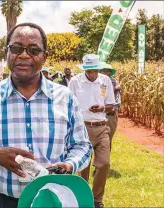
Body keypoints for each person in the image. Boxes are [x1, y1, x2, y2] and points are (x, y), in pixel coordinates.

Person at [0, 23, 92, 208]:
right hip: (2, 200)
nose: (23, 55)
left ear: (44, 57)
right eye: (16, 48)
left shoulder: (65, 98)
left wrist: (69, 165)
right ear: (6, 53)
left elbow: (82, 145)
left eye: (33, 49)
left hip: (52, 200)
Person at [68, 54, 115, 208]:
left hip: (102, 127)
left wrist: (102, 108)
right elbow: (68, 105)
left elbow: (111, 106)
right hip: (83, 128)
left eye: (94, 70)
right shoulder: (75, 82)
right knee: (83, 166)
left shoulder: (105, 81)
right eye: (88, 70)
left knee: (104, 163)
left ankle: (97, 200)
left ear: (98, 68)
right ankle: (83, 197)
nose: (92, 73)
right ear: (84, 69)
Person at [99, 63, 121, 150]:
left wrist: (112, 109)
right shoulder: (96, 82)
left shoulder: (115, 82)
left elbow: (117, 101)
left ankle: (105, 160)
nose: (106, 72)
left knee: (108, 137)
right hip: (96, 114)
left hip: (110, 114)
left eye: (108, 71)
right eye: (104, 70)